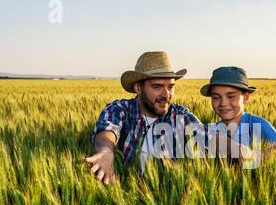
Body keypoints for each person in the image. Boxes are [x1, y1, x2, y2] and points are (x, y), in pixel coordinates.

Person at [86, 51, 204, 184]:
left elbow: (207, 136)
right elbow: (107, 131)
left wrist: (229, 144)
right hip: (127, 195)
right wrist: (106, 151)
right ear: (138, 88)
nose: (166, 94)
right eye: (157, 87)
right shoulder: (120, 110)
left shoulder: (180, 115)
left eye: (170, 87)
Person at [201, 66, 276, 167]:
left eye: (231, 96)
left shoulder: (259, 125)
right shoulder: (209, 129)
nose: (223, 103)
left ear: (245, 97)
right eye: (216, 97)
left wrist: (263, 156)